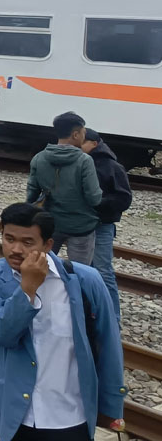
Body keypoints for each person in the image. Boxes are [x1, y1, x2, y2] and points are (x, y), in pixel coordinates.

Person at [0, 203, 126, 441]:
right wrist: (27, 289)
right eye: (9, 238)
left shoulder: (85, 280)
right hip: (11, 415)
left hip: (69, 416)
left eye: (27, 242)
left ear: (48, 244)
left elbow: (109, 342)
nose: (15, 249)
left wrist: (112, 405)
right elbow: (0, 333)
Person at [26, 111, 102, 265]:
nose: (83, 136)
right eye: (83, 133)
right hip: (81, 226)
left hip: (50, 223)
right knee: (79, 273)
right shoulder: (84, 160)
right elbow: (94, 198)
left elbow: (31, 196)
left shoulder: (39, 158)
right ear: (75, 134)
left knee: (41, 267)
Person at [80, 129, 132, 319]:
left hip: (102, 225)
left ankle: (112, 318)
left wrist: (97, 202)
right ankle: (92, 314)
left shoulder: (112, 167)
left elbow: (124, 199)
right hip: (83, 224)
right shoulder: (80, 162)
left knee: (103, 271)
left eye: (82, 142)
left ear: (94, 143)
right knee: (87, 270)